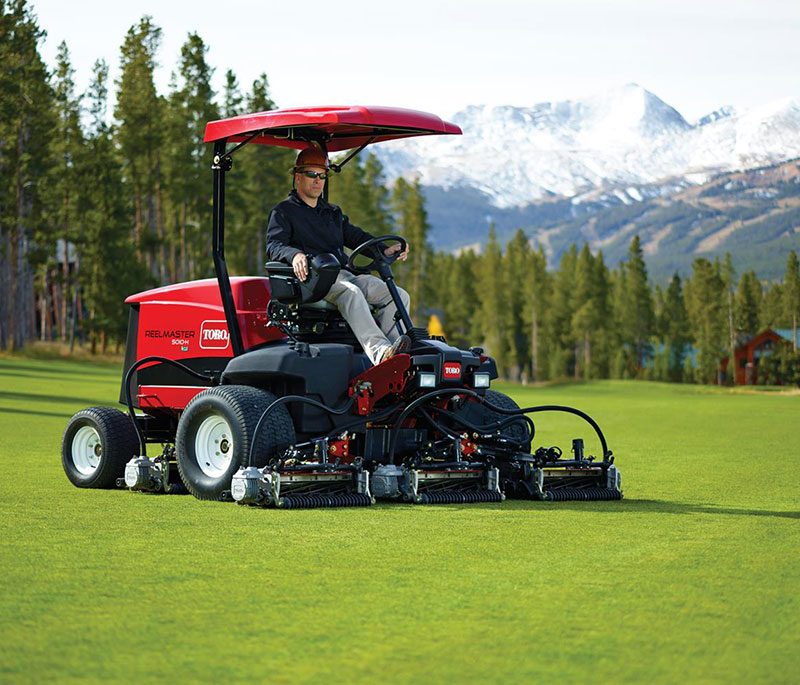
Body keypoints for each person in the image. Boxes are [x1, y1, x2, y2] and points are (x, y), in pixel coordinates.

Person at [266, 146, 412, 365]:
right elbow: (274, 244)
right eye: (311, 174)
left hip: (343, 274)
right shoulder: (284, 212)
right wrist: (295, 255)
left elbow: (356, 237)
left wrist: (384, 249)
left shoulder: (332, 213)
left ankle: (396, 355)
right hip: (314, 280)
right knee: (351, 293)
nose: (317, 180)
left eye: (322, 175)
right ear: (298, 177)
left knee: (397, 294)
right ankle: (380, 353)